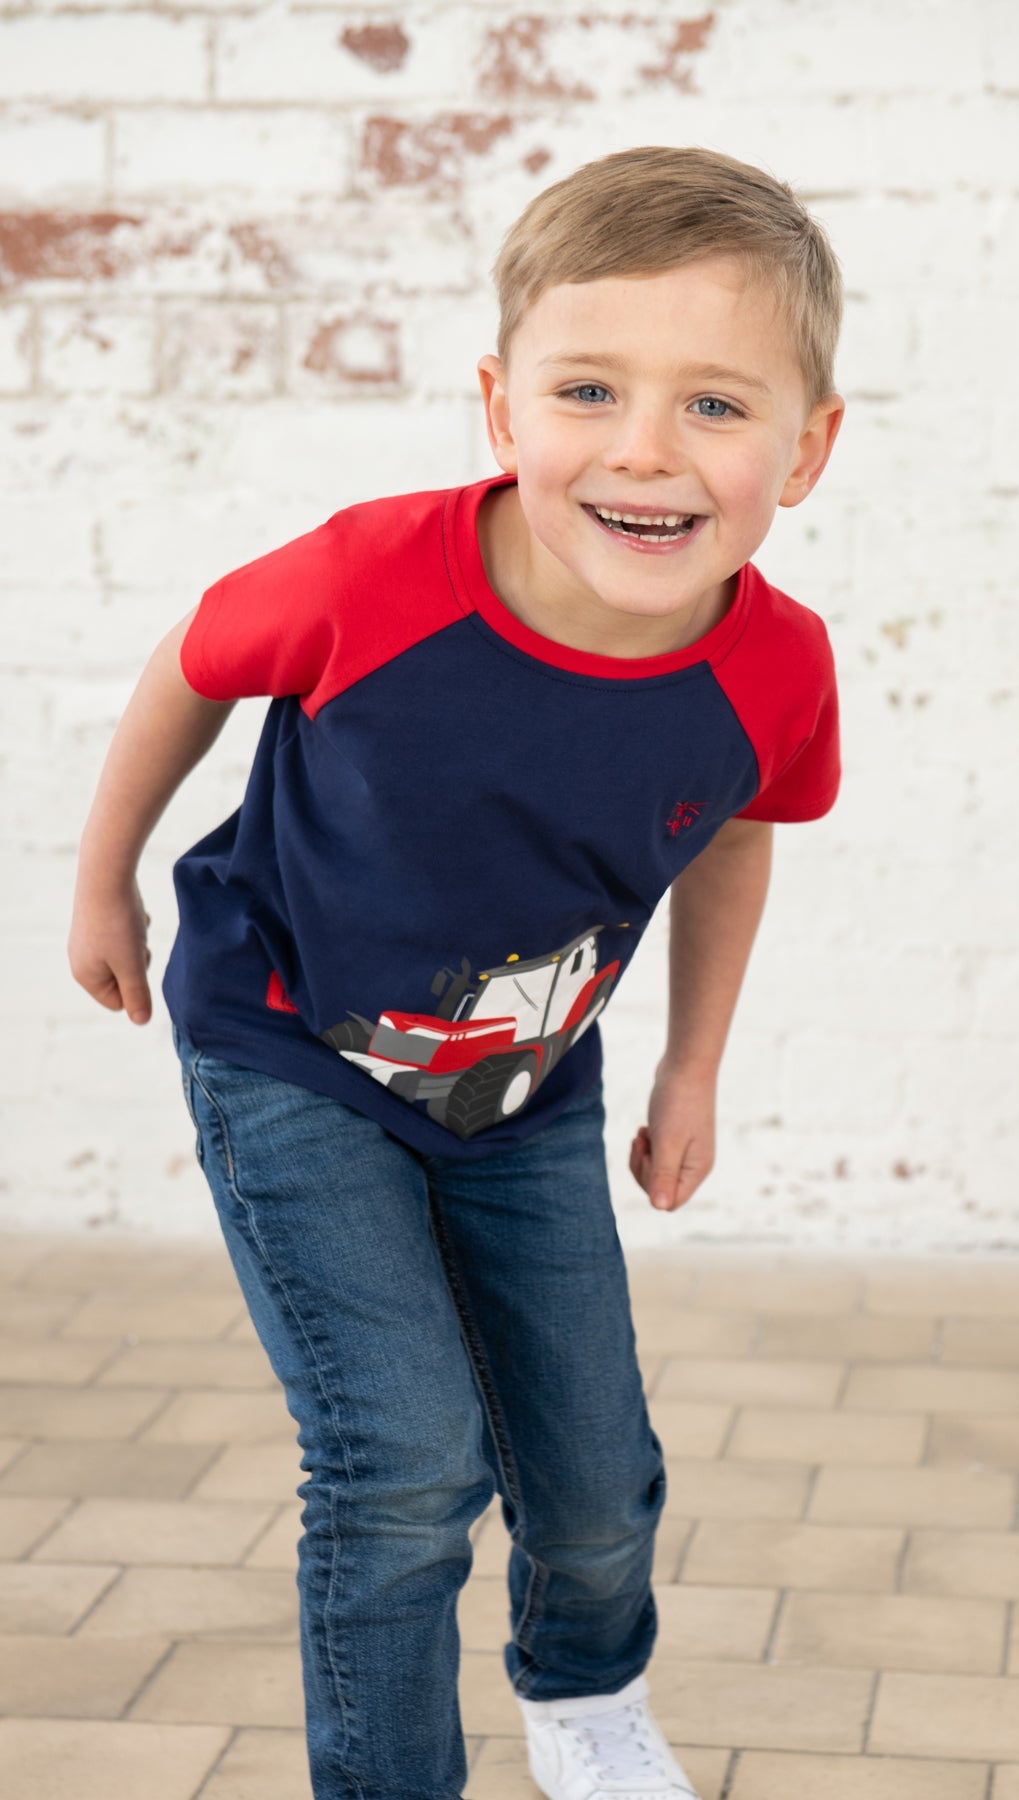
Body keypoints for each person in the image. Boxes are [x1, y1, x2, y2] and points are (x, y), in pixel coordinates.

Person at [68, 144, 845, 1800]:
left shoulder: (774, 671)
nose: (645, 450)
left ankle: (583, 1700)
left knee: (592, 1474)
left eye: (717, 406)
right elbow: (193, 661)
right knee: (402, 1460)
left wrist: (692, 1068)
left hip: (522, 1083)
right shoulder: (372, 582)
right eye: (590, 390)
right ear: (502, 410)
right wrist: (103, 881)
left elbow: (730, 835)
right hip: (285, 1044)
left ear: (811, 447)